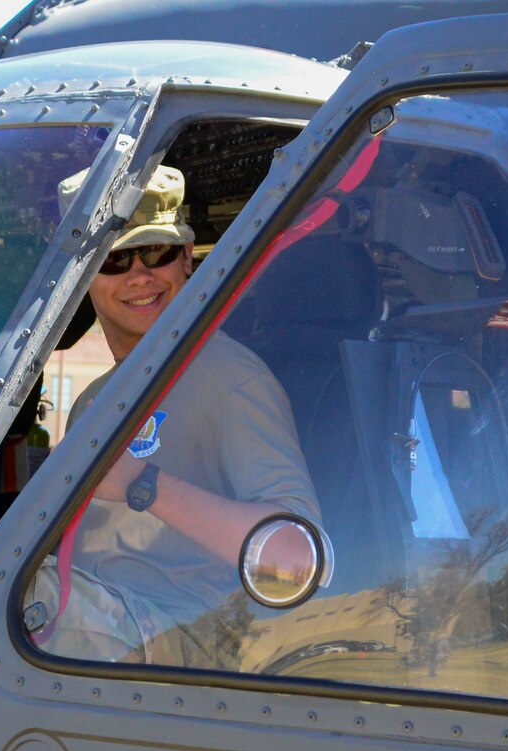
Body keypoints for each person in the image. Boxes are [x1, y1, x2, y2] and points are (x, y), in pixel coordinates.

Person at [26, 163, 318, 665]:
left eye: (156, 252)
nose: (139, 274)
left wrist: (142, 484)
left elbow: (294, 556)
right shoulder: (94, 400)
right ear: (84, 276)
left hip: (196, 637)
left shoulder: (231, 378)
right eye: (115, 259)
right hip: (103, 624)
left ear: (186, 258)